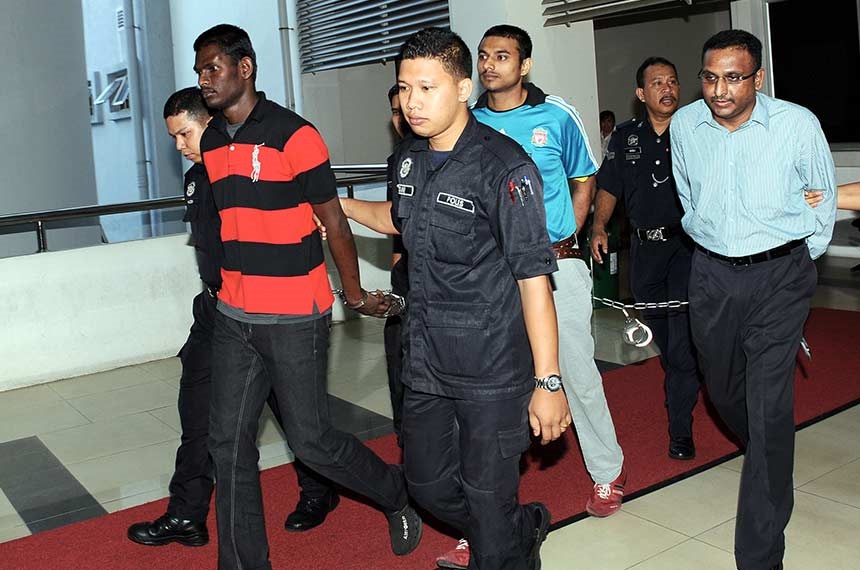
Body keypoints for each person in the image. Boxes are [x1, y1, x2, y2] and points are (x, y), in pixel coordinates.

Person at [340, 27, 570, 570]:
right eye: (404, 88)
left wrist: (549, 381)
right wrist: (340, 208)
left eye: (427, 87)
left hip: (493, 369)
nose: (412, 102)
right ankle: (520, 527)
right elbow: (397, 220)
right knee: (426, 483)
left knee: (488, 511)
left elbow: (534, 280)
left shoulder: (505, 167)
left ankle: (506, 538)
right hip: (427, 362)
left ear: (463, 88)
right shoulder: (407, 161)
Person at [193, 24, 421, 569]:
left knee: (312, 441)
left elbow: (334, 222)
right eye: (199, 71)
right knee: (226, 444)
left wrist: (355, 293)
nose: (204, 80)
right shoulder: (209, 141)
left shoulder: (295, 136)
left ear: (244, 68)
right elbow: (225, 221)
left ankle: (397, 493)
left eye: (212, 68)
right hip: (234, 315)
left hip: (295, 314)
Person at [126, 87, 337, 547]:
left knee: (298, 418)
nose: (180, 146)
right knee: (198, 411)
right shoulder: (195, 179)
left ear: (211, 124)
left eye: (185, 133)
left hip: (266, 310)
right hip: (216, 309)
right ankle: (187, 513)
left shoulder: (248, 171)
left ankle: (319, 489)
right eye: (173, 138)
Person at [671, 29, 836, 570]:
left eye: (734, 78)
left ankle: (760, 555)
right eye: (711, 77)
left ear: (757, 79)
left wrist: (798, 261)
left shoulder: (795, 123)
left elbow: (822, 196)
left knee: (768, 410)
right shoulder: (685, 126)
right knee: (722, 390)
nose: (720, 89)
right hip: (712, 276)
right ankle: (773, 453)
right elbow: (687, 195)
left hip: (780, 276)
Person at [591, 57, 700, 461]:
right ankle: (691, 373)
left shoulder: (696, 129)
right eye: (657, 83)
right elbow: (609, 187)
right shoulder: (624, 137)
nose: (667, 88)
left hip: (688, 249)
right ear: (642, 94)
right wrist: (599, 226)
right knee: (669, 342)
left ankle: (681, 430)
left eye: (672, 81)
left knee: (682, 346)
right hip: (644, 252)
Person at [384, 84, 411, 445]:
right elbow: (396, 220)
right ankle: (406, 436)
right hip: (406, 277)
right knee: (398, 357)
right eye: (395, 110)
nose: (402, 115)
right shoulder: (398, 159)